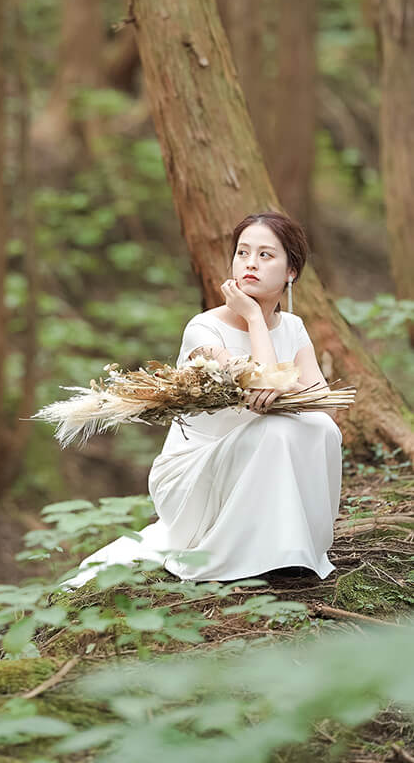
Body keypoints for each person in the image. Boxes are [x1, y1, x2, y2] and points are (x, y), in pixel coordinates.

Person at [63, 211, 343, 588]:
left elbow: (326, 405)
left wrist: (287, 380)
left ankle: (295, 549)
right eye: (243, 253)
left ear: (291, 271)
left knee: (321, 428)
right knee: (275, 429)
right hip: (194, 473)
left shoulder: (293, 328)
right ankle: (257, 555)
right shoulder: (204, 329)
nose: (250, 264)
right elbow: (260, 385)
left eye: (265, 255)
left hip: (257, 455)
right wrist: (256, 319)